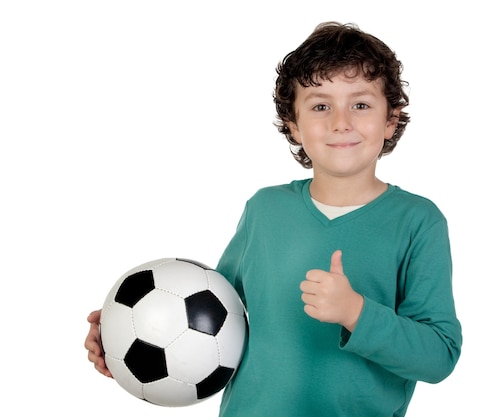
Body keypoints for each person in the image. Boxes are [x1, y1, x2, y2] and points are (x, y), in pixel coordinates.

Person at [85, 21, 462, 416]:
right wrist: (130, 333)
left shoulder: (419, 222)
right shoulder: (265, 210)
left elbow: (439, 357)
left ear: (391, 119)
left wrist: (355, 312)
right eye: (320, 106)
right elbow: (214, 320)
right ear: (294, 126)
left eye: (361, 104)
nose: (341, 122)